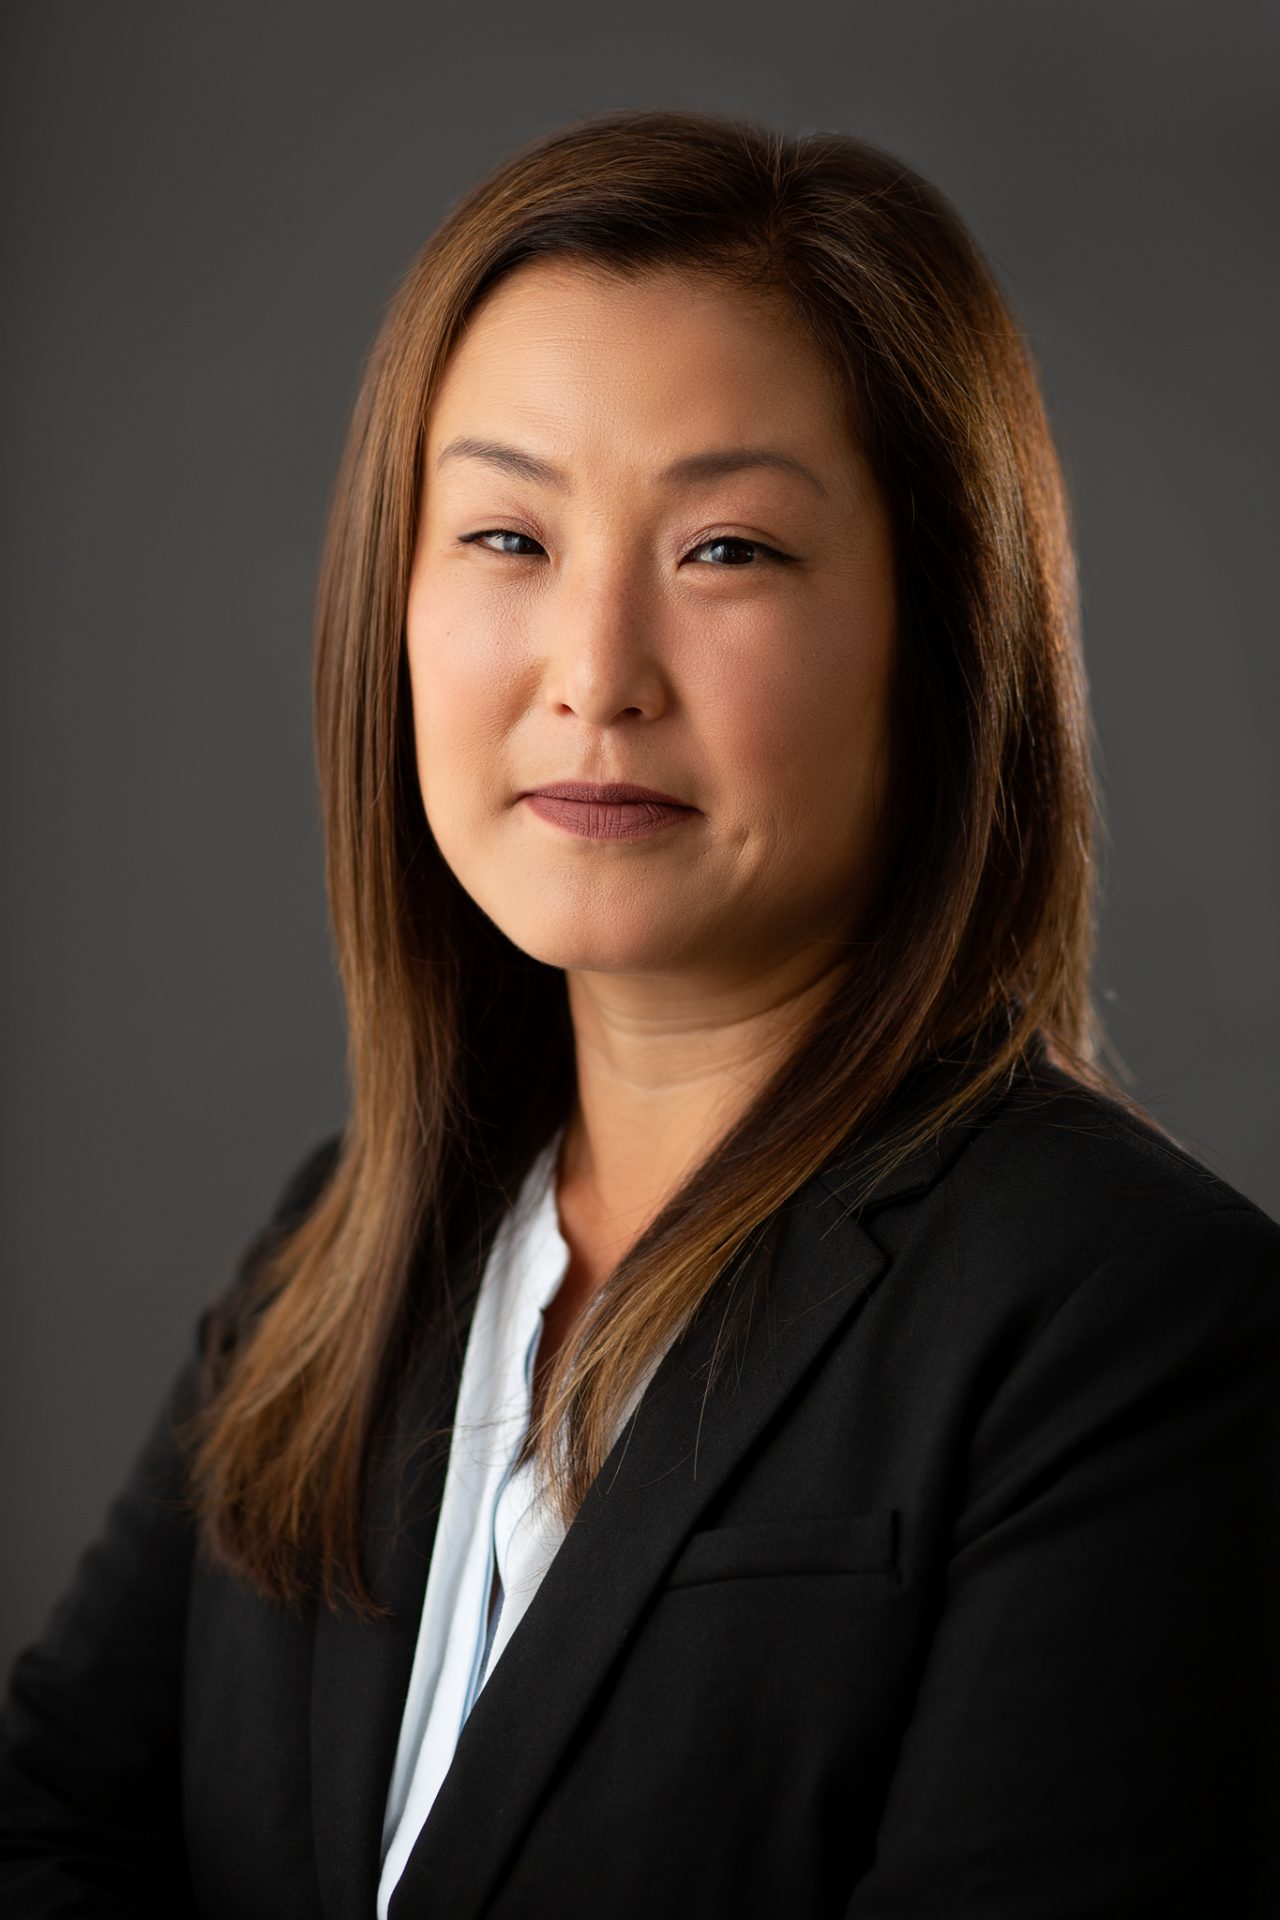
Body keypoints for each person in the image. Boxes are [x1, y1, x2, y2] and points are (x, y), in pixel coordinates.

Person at [1, 104, 1277, 1919]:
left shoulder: (1132, 1325)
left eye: (727, 552)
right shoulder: (340, 1256)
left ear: (945, 632)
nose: (593, 674)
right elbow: (53, 1830)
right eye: (507, 537)